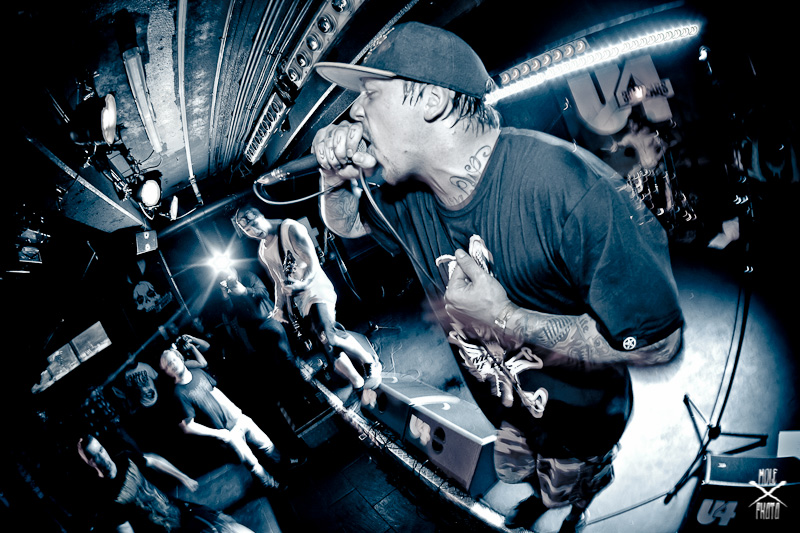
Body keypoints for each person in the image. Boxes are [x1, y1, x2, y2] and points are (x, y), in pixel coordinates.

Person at [310, 22, 684, 532]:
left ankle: (587, 485)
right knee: (522, 475)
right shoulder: (408, 197)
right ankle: (544, 483)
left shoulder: (567, 189)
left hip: (581, 423)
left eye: (370, 94)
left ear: (432, 100)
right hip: (511, 414)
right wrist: (334, 178)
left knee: (562, 488)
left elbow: (659, 343)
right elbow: (346, 223)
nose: (354, 112)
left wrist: (506, 316)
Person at [233, 208, 382, 391]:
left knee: (328, 333)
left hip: (316, 289)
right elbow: (279, 282)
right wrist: (279, 307)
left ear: (260, 215)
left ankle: (370, 361)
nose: (254, 231)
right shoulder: (263, 251)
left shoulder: (289, 228)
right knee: (325, 344)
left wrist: (302, 284)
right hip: (301, 301)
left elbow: (313, 263)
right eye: (248, 230)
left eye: (254, 224)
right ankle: (357, 382)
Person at [159, 348, 282, 490]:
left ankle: (284, 468)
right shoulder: (179, 394)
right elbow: (188, 426)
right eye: (168, 364)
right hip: (227, 433)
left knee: (268, 445)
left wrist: (236, 412)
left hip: (238, 419)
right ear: (167, 371)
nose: (173, 365)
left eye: (174, 360)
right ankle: (273, 486)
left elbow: (215, 391)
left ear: (180, 358)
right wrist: (220, 434)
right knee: (253, 464)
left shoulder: (198, 372)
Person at [77, 434, 253, 533]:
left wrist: (182, 476)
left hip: (181, 511)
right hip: (166, 531)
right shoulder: (106, 498)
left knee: (230, 529)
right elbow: (125, 529)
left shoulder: (125, 459)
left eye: (101, 450)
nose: (102, 458)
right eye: (94, 457)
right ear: (88, 463)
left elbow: (153, 461)